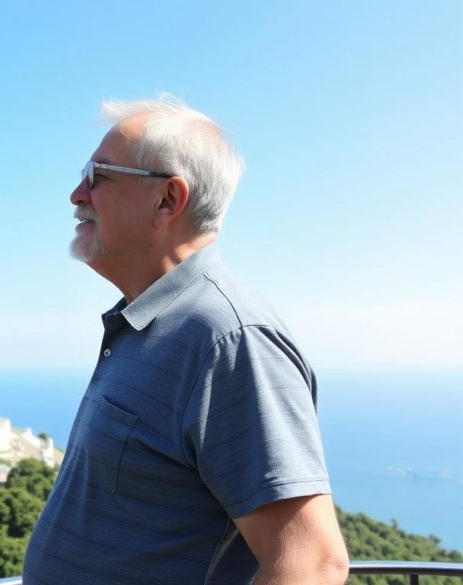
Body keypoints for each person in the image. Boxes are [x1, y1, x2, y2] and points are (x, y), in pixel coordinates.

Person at [23, 97, 349, 585]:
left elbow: (313, 565)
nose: (76, 194)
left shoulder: (228, 338)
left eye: (96, 175)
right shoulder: (149, 324)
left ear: (167, 200)